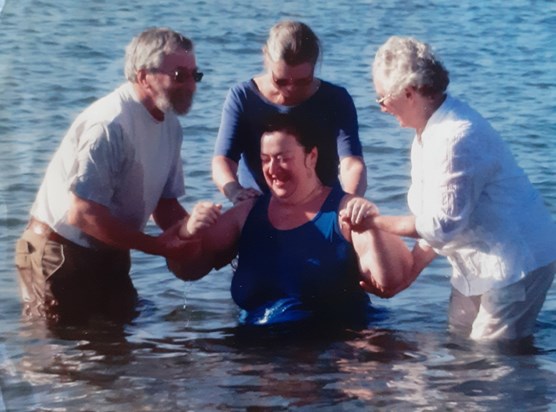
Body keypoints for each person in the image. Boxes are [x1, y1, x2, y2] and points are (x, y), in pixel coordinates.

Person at [14, 27, 209, 325]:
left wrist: (199, 238)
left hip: (112, 249)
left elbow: (165, 206)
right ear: (144, 76)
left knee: (114, 353)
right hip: (59, 252)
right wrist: (158, 247)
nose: (191, 86)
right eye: (179, 75)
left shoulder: (170, 125)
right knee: (59, 361)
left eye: (195, 75)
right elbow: (82, 213)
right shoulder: (110, 124)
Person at [367, 35, 556, 340]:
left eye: (383, 99)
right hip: (476, 257)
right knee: (458, 342)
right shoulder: (426, 132)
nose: (382, 108)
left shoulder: (456, 136)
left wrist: (375, 222)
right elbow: (440, 217)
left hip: (516, 260)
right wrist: (412, 269)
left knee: (490, 360)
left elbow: (441, 226)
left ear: (410, 93)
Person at [169, 114, 413, 326]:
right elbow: (187, 270)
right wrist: (188, 230)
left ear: (311, 157)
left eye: (283, 158)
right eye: (266, 159)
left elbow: (389, 283)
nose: (273, 169)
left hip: (333, 353)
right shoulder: (247, 214)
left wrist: (373, 230)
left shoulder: (347, 212)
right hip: (257, 354)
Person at [212, 20, 367, 205]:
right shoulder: (243, 97)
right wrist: (235, 191)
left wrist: (349, 201)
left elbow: (351, 163)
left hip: (322, 208)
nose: (291, 89)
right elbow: (223, 161)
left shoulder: (335, 99)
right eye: (281, 81)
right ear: (266, 58)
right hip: (260, 207)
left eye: (303, 81)